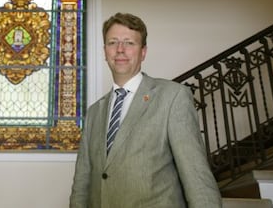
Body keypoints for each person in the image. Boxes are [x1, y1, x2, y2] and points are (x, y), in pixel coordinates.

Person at [69, 13, 222, 207]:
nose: (120, 50)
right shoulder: (94, 113)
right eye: (113, 42)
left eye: (129, 43)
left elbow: (196, 176)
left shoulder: (173, 97)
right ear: (105, 51)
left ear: (143, 52)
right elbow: (82, 184)